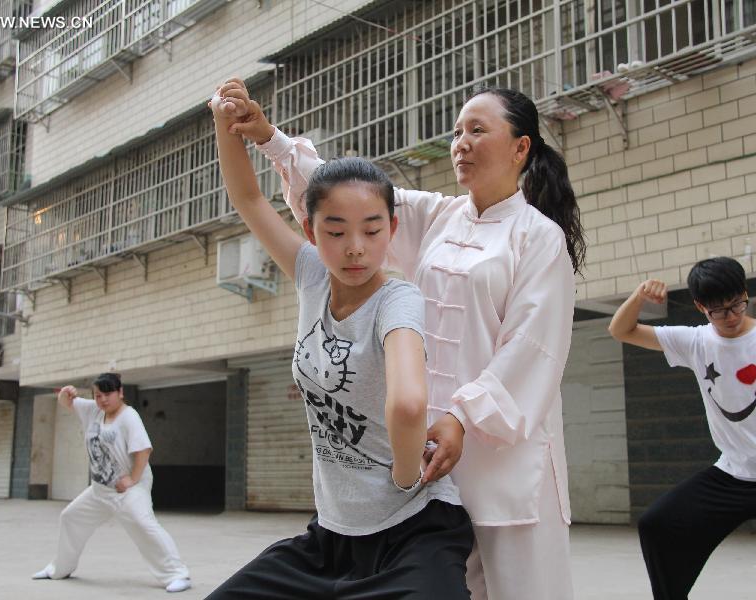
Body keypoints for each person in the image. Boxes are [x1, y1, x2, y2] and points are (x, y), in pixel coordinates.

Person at [218, 79, 584, 600]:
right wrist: (270, 139)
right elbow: (349, 197)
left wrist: (462, 416)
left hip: (500, 452)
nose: (460, 142)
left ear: (521, 147)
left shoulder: (538, 237)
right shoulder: (440, 215)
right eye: (457, 131)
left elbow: (533, 349)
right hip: (427, 458)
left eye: (478, 130)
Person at [205, 85, 472, 599]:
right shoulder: (309, 275)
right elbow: (247, 198)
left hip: (414, 532)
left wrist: (401, 473)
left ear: (392, 228)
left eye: (372, 231)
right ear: (310, 229)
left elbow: (411, 401)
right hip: (329, 537)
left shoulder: (399, 300)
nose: (356, 248)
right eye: (335, 231)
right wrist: (226, 122)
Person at [608, 257, 756, 599]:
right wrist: (639, 296)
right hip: (733, 476)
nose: (731, 316)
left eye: (737, 305)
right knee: (658, 525)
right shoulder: (694, 341)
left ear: (745, 294)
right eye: (719, 310)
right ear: (701, 307)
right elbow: (621, 330)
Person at [32, 372, 191, 593]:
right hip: (100, 491)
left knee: (144, 525)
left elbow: (144, 450)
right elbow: (67, 402)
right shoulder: (93, 410)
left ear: (120, 392)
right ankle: (59, 569)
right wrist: (67, 392)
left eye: (108, 394)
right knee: (70, 518)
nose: (103, 400)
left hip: (129, 490)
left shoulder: (129, 417)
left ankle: (178, 575)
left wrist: (132, 479)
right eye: (98, 395)